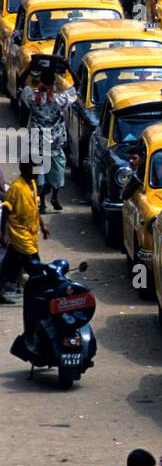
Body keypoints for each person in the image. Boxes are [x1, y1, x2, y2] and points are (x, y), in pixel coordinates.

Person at [0, 160, 49, 305]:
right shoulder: (16, 188)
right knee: (36, 268)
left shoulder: (32, 185)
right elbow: (6, 213)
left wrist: (43, 225)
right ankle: (44, 296)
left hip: (29, 235)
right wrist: (3, 234)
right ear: (26, 169)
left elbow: (35, 208)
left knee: (8, 269)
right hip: (20, 237)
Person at [23, 72, 69, 212]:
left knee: (40, 174)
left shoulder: (32, 97)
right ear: (53, 84)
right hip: (55, 143)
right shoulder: (59, 99)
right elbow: (74, 89)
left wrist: (31, 67)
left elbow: (22, 84)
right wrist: (66, 70)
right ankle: (51, 198)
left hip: (38, 143)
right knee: (57, 173)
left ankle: (43, 202)